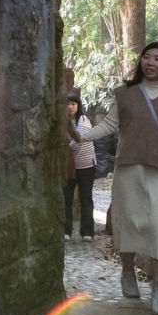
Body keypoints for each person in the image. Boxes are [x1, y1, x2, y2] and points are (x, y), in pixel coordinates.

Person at [75, 41, 158, 315]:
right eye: (146, 57)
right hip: (128, 169)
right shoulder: (125, 94)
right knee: (127, 224)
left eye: (157, 59)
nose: (150, 63)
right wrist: (80, 135)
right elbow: (109, 126)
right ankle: (128, 271)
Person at [64, 94, 97, 241]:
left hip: (85, 165)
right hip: (68, 167)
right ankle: (66, 230)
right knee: (66, 198)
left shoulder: (84, 120)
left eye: (73, 104)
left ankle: (87, 231)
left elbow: (79, 141)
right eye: (68, 104)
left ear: (78, 106)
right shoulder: (62, 122)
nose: (70, 107)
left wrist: (66, 153)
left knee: (85, 197)